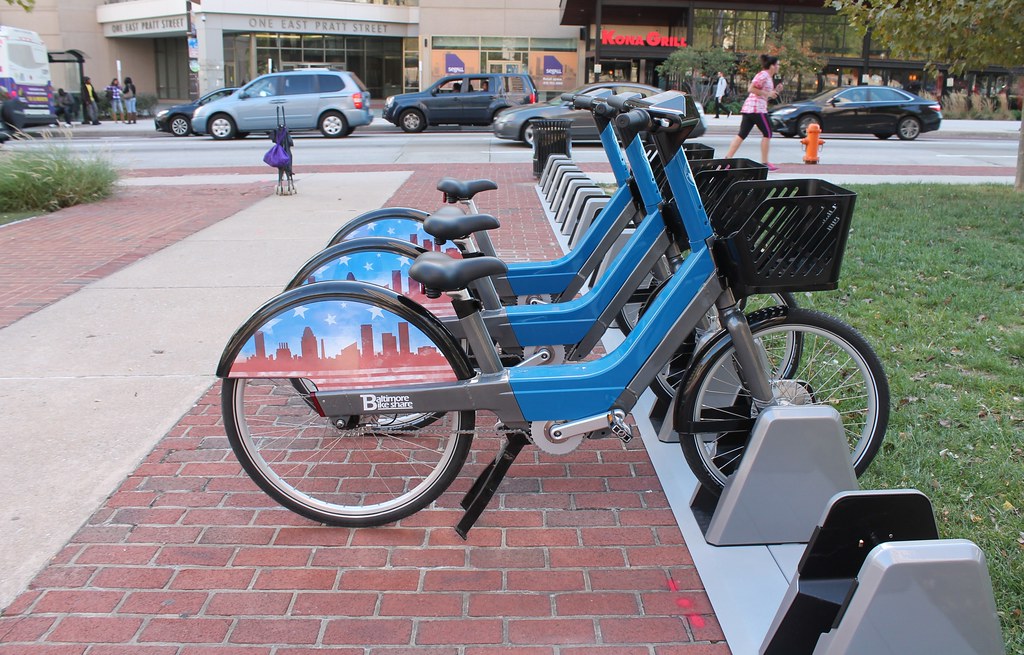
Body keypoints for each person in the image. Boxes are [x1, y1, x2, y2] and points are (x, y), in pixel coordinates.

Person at [724, 54, 781, 171]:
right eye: (778, 65)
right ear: (772, 66)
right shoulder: (764, 75)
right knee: (768, 133)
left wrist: (774, 92)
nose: (779, 67)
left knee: (742, 134)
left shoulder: (767, 77)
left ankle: (727, 160)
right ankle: (765, 162)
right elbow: (751, 89)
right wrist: (768, 94)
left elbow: (763, 94)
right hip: (757, 109)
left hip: (750, 108)